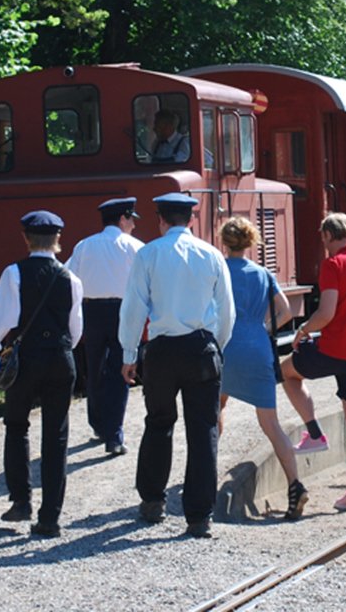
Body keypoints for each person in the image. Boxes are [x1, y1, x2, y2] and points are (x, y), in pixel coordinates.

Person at [119, 193, 234, 538]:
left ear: (161, 220)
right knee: (203, 429)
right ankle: (199, 517)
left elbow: (133, 309)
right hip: (200, 347)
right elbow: (227, 312)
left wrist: (128, 355)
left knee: (158, 423)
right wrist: (216, 346)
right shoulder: (212, 254)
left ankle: (153, 501)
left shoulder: (148, 254)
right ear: (191, 220)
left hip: (161, 350)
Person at [0, 210, 84, 539]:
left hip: (25, 361)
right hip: (61, 359)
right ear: (57, 240)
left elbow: (1, 322)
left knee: (16, 426)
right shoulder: (71, 278)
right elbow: (76, 329)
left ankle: (21, 501)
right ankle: (50, 518)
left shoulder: (14, 273)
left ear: (26, 239)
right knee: (56, 437)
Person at [281, 212, 346, 512]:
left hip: (330, 351)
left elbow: (325, 313)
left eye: (324, 240)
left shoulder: (334, 264)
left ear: (329, 236)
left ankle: (314, 434)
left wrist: (304, 331)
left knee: (287, 373)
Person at [217, 217, 308, 520]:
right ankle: (295, 485)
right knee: (271, 424)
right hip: (258, 348)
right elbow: (285, 309)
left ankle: (207, 472)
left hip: (226, 347)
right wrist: (264, 328)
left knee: (215, 408)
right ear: (250, 242)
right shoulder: (263, 273)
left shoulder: (218, 271)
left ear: (224, 242)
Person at [66, 197, 145, 456]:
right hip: (122, 312)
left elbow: (68, 278)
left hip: (90, 311)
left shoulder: (84, 246)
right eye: (131, 219)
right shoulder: (135, 247)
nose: (133, 225)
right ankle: (114, 435)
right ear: (122, 219)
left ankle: (98, 424)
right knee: (121, 371)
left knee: (94, 367)